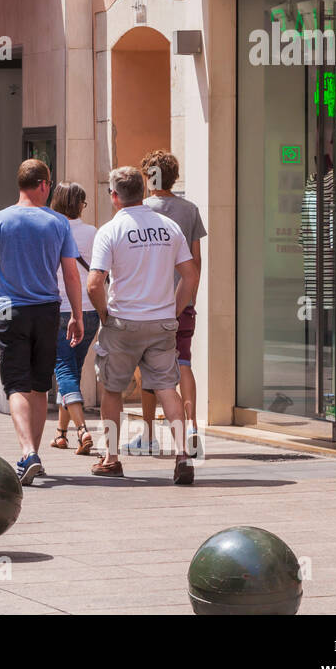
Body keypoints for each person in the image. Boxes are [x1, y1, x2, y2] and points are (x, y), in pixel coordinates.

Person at [86, 166, 200, 485]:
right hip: (161, 322)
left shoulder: (110, 230)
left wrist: (105, 315)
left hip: (123, 321)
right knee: (167, 388)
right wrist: (174, 311)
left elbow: (95, 283)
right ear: (143, 190)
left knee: (112, 389)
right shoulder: (169, 227)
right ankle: (181, 454)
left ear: (114, 196)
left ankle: (110, 458)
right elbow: (190, 275)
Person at [0, 159, 83, 485]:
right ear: (44, 185)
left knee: (15, 383)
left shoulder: (0, 220)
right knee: (39, 384)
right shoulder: (58, 223)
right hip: (48, 308)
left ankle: (26, 452)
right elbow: (71, 274)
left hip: (8, 308)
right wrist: (76, 315)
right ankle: (33, 453)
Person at [137, 149, 207, 456]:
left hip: (150, 304)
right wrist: (190, 299)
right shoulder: (189, 209)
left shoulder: (140, 210)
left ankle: (149, 433)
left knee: (149, 366)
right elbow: (196, 260)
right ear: (173, 176)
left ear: (149, 177)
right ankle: (191, 428)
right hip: (183, 302)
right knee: (184, 362)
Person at [49, 182, 99, 456]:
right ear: (81, 205)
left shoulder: (51, 230)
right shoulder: (93, 232)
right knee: (72, 369)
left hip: (60, 309)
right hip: (90, 311)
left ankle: (82, 430)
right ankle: (60, 434)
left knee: (64, 369)